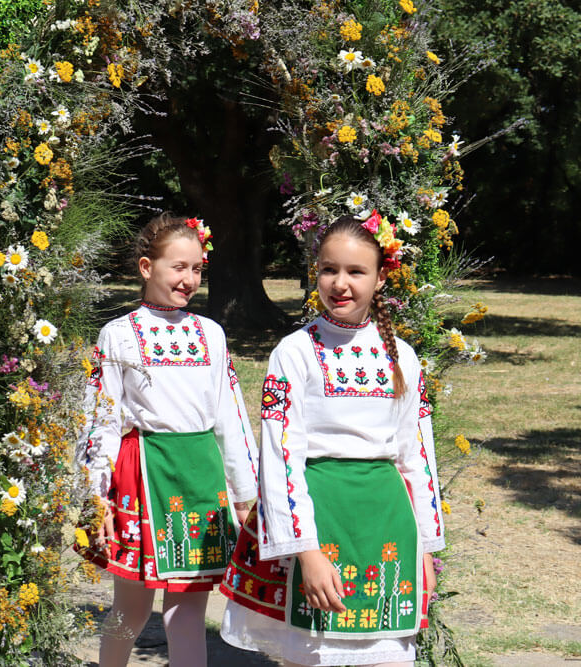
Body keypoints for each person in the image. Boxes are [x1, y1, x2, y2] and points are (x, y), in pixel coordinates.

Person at [218, 214, 446, 667]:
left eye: (356, 271)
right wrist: (307, 552)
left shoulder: (402, 357)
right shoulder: (294, 352)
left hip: (386, 523)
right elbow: (280, 458)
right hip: (318, 520)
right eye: (329, 269)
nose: (340, 283)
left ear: (381, 278)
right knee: (313, 655)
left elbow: (417, 456)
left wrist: (424, 545)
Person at [76, 213, 257, 667]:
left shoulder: (210, 334)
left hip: (200, 477)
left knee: (187, 611)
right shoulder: (119, 334)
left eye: (197, 269)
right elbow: (101, 418)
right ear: (146, 267)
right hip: (143, 476)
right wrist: (95, 493)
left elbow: (231, 415)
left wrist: (244, 494)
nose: (189, 279)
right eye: (178, 267)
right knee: (131, 608)